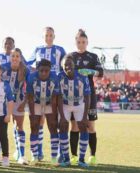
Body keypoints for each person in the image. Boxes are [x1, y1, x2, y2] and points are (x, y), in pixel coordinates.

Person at [28, 26, 66, 161]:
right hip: (39, 88)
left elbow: (66, 65)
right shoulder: (38, 50)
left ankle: (59, 154)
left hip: (55, 89)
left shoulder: (60, 50)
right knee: (38, 123)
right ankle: (37, 152)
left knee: (55, 123)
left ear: (54, 36)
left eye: (51, 35)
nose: (48, 37)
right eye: (46, 35)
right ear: (43, 36)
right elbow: (28, 63)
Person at [70, 29, 104, 165]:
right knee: (75, 126)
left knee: (90, 126)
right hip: (74, 96)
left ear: (87, 42)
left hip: (89, 95)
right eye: (79, 42)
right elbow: (65, 71)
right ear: (75, 42)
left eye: (83, 42)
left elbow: (100, 72)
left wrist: (89, 71)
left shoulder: (93, 56)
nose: (81, 44)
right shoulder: (70, 56)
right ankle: (73, 155)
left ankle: (92, 156)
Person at [58, 54, 91, 168]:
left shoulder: (82, 76)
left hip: (79, 105)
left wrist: (85, 116)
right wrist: (62, 116)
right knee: (63, 127)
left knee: (83, 127)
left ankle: (81, 159)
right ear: (62, 67)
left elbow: (87, 97)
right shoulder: (59, 76)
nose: (67, 67)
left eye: (70, 64)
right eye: (65, 65)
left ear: (74, 65)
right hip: (65, 105)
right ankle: (66, 159)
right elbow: (58, 97)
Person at [26, 59, 60, 165]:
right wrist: (32, 114)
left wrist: (54, 114)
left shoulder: (55, 77)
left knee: (53, 127)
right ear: (37, 69)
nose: (44, 73)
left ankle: (54, 158)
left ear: (50, 70)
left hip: (50, 102)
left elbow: (55, 98)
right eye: (41, 71)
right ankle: (34, 156)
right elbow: (30, 97)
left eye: (46, 71)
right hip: (36, 102)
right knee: (34, 126)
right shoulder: (31, 77)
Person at [1, 48, 29, 164]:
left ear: (20, 58)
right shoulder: (3, 67)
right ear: (9, 57)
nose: (15, 58)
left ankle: (21, 155)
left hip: (19, 100)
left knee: (19, 126)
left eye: (17, 56)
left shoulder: (25, 70)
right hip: (4, 101)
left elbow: (30, 88)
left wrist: (24, 103)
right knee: (1, 128)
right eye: (13, 56)